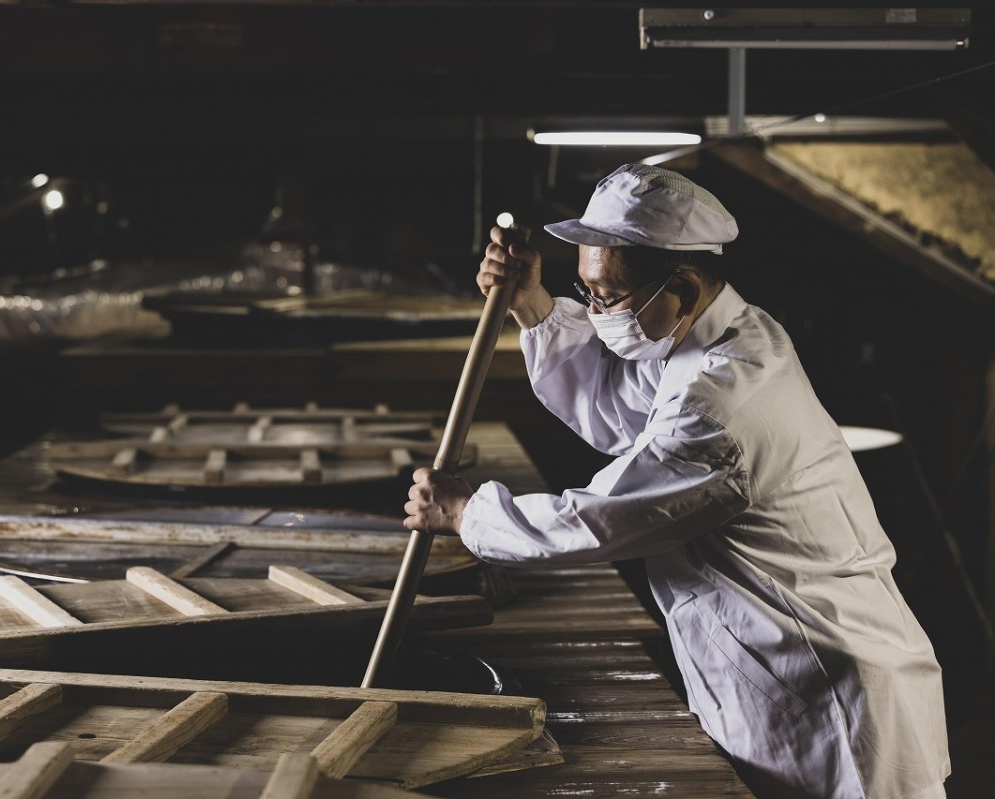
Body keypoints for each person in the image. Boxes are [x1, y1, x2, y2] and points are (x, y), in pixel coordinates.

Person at [404, 164, 950, 798]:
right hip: (783, 662)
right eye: (587, 291)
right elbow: (622, 408)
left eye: (606, 296)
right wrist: (534, 306)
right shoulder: (718, 338)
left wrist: (469, 514)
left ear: (684, 287)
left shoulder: (724, 404)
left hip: (823, 682)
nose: (597, 310)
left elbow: (605, 518)